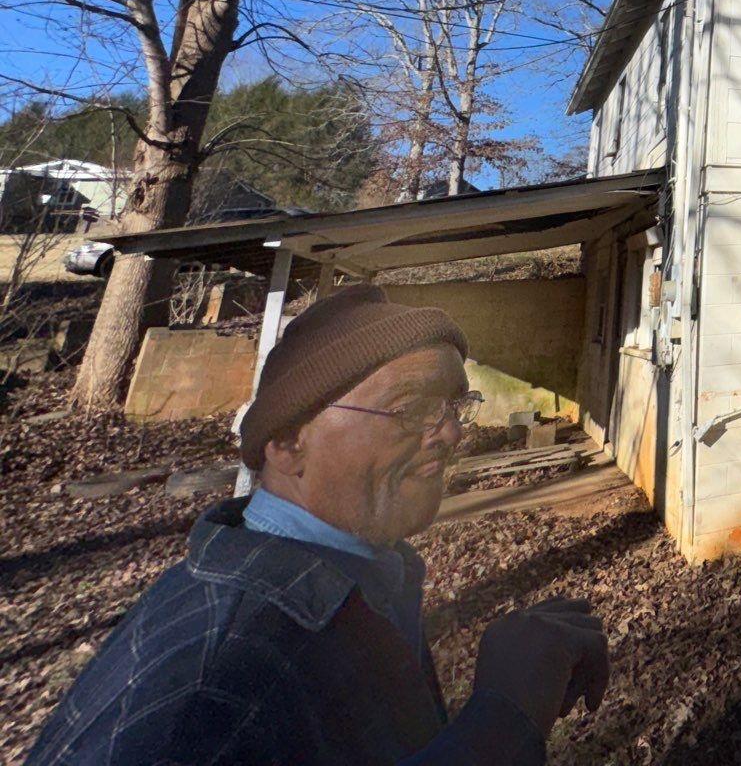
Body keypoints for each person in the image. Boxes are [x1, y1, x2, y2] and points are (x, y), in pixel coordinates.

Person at [28, 285, 610, 765]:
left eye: (455, 406)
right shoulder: (210, 694)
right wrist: (503, 720)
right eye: (411, 407)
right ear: (287, 441)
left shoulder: (355, 580)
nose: (453, 432)